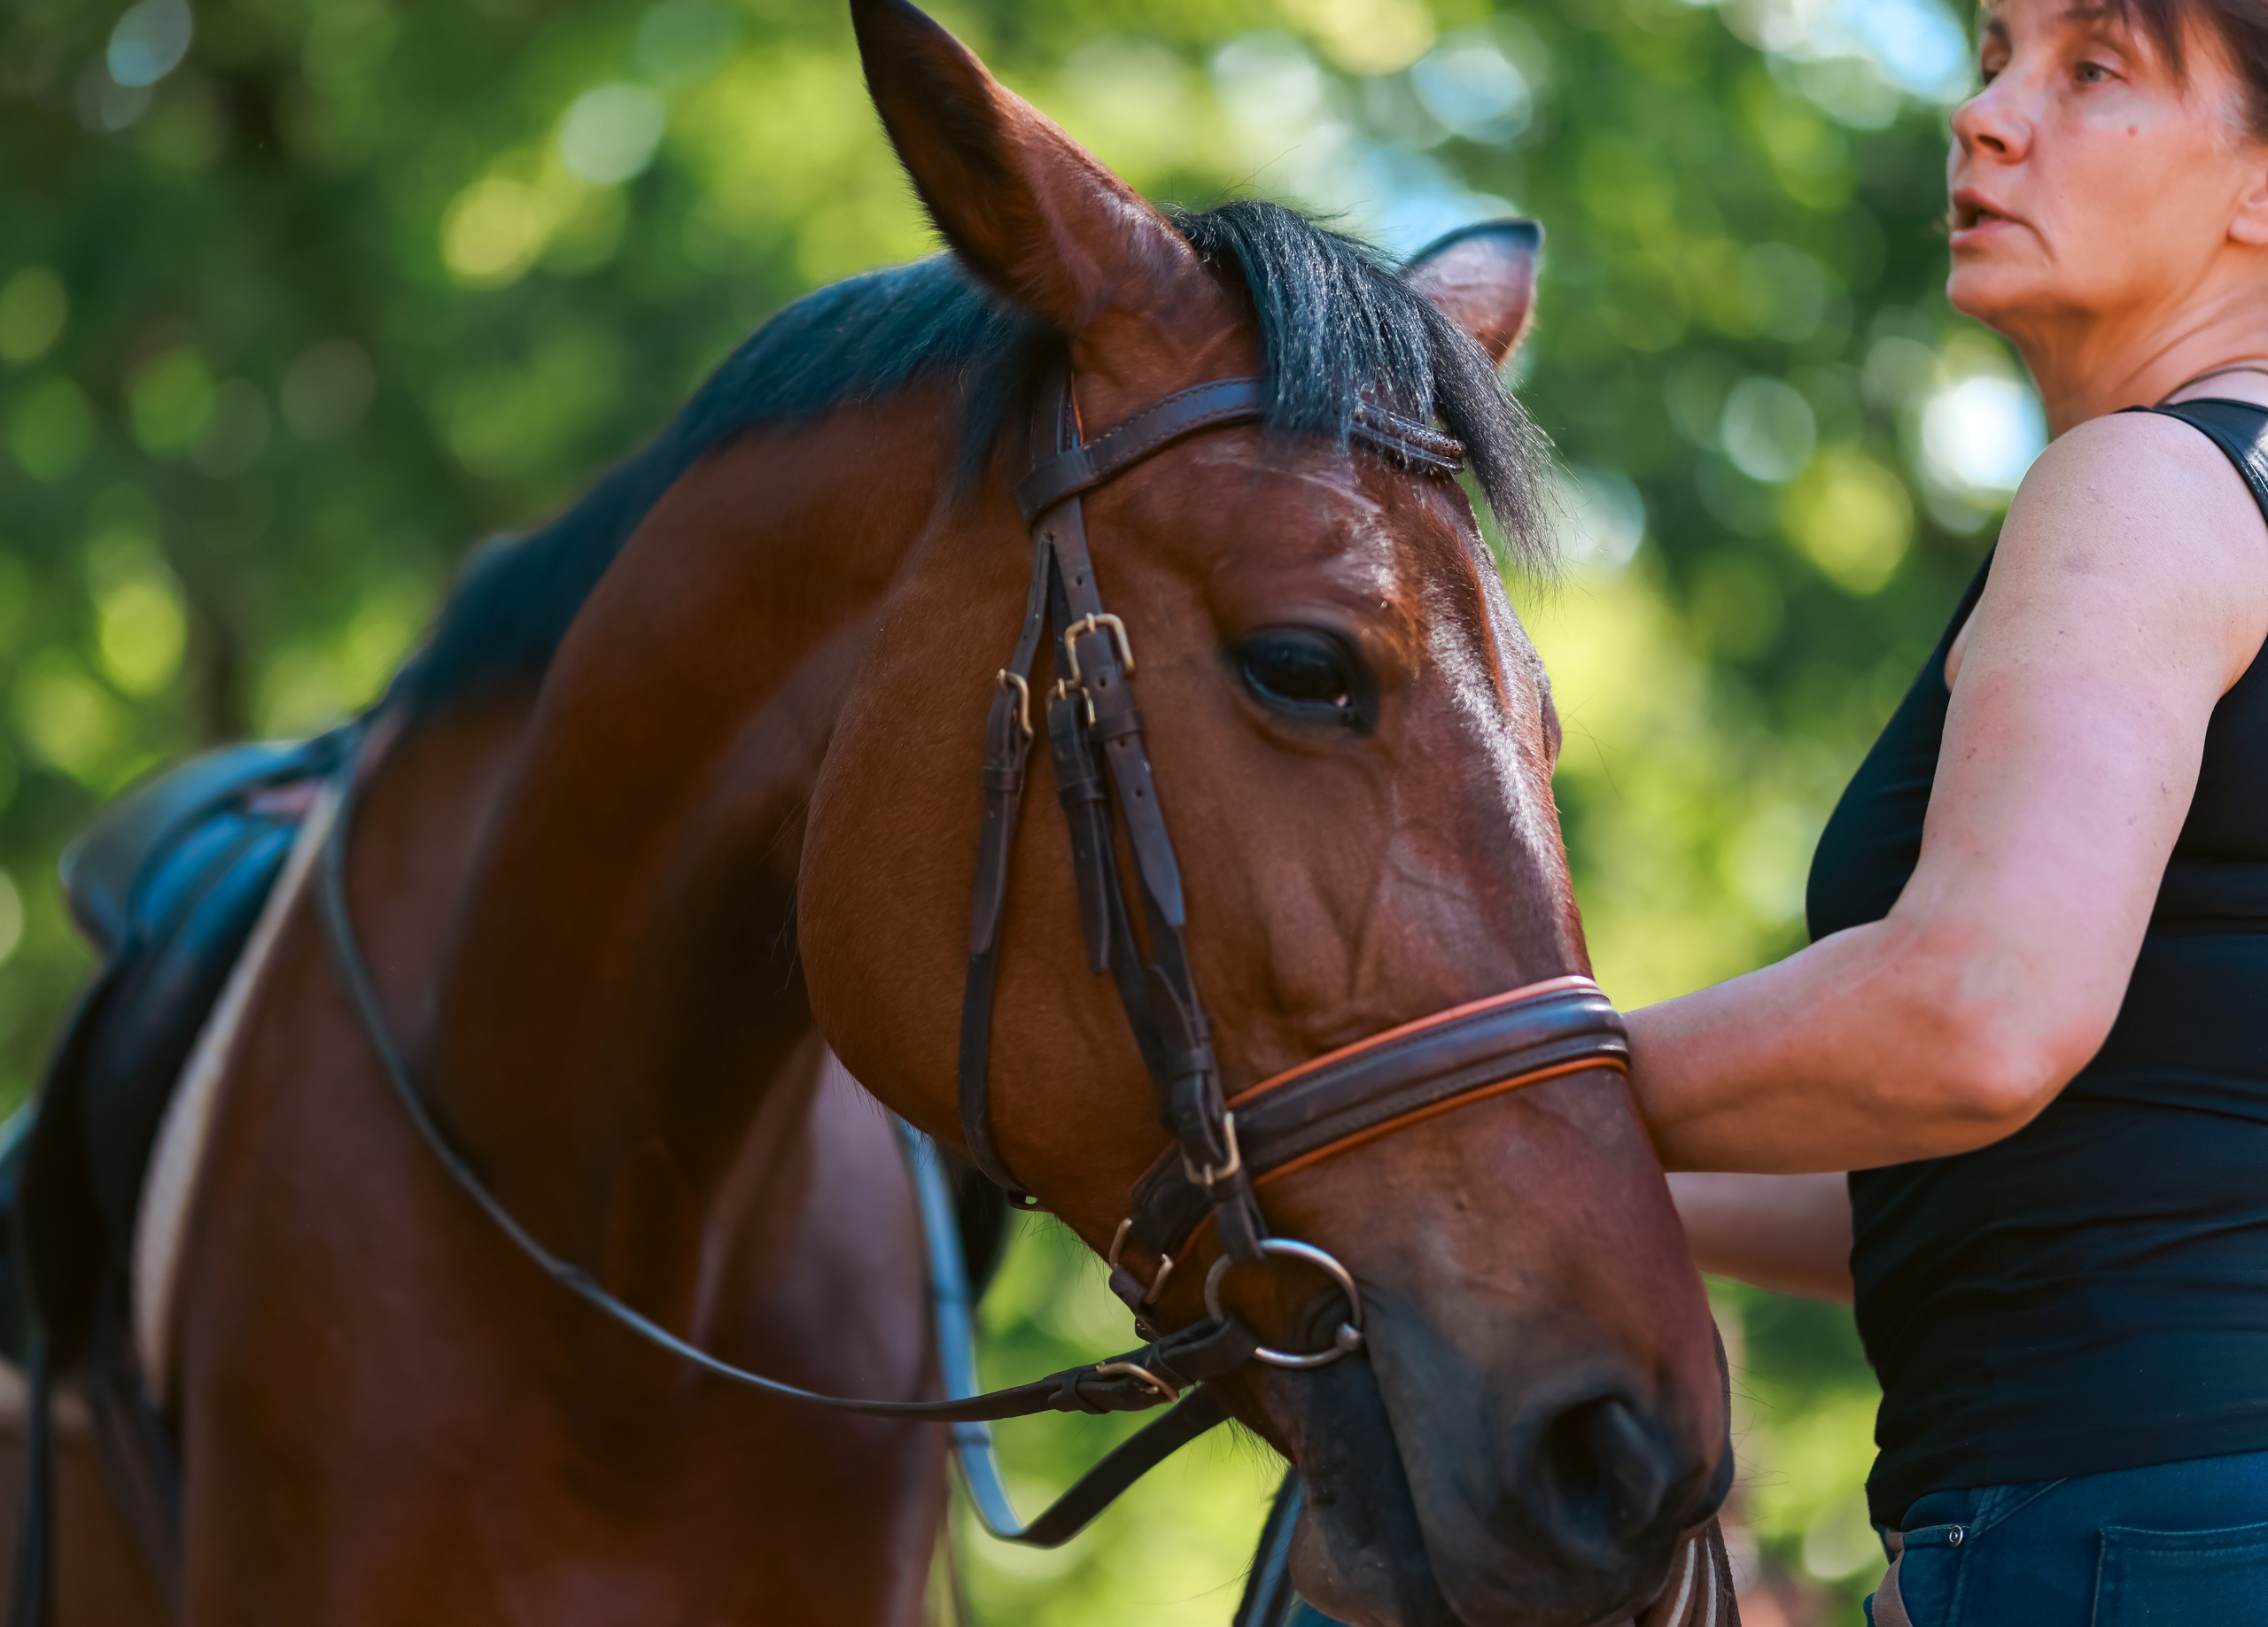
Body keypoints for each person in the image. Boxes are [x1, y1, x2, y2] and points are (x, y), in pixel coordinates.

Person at [1648, 0, 2268, 1620]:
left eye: (2091, 69)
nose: (1985, 114)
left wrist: (1446, 1084)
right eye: (1994, 52)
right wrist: (1517, 1165)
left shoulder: (2144, 486)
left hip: (2127, 1529)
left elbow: (1979, 1016)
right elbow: (2010, 1184)